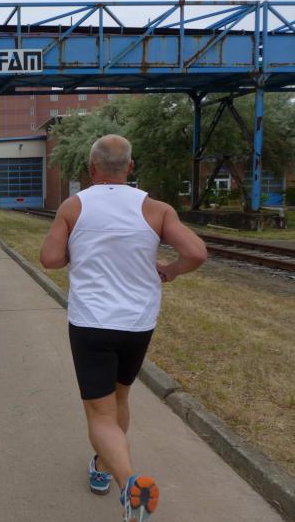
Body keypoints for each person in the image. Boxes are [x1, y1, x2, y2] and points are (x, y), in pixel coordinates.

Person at [39, 135, 207, 522]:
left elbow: (49, 259)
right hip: (137, 322)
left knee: (100, 414)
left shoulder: (74, 206)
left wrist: (76, 250)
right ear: (130, 167)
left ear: (91, 168)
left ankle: (128, 482)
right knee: (120, 399)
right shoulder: (156, 209)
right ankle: (102, 466)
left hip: (91, 322)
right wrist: (170, 270)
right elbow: (196, 252)